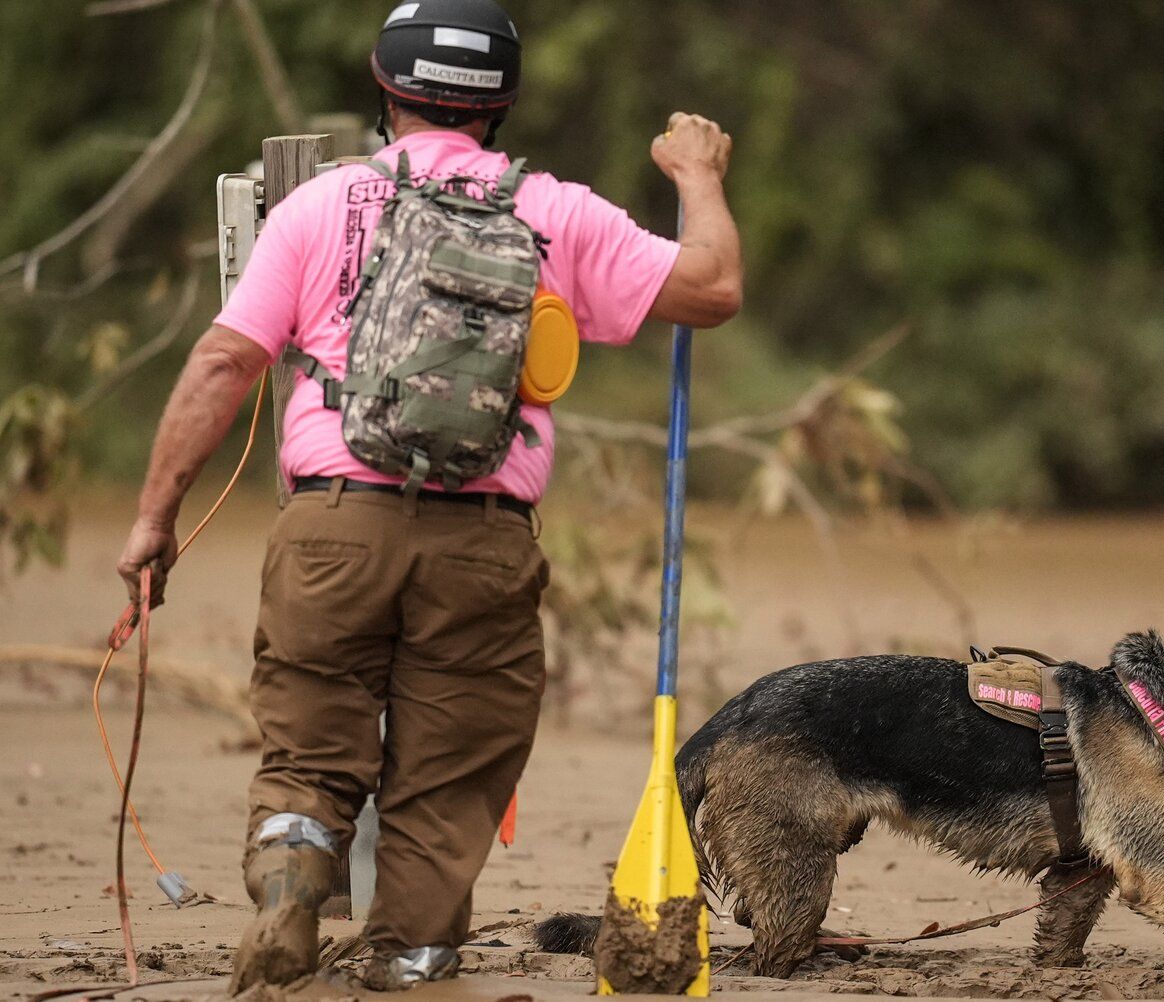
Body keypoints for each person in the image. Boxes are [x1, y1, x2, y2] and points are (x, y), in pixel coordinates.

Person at [114, 0, 741, 991]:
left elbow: (222, 362)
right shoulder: (556, 210)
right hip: (484, 542)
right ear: (501, 106)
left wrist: (156, 515)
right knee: (450, 771)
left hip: (332, 525)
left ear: (385, 89)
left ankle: (291, 880)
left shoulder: (321, 204)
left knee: (312, 730)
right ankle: (409, 951)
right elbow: (711, 288)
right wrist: (698, 178)